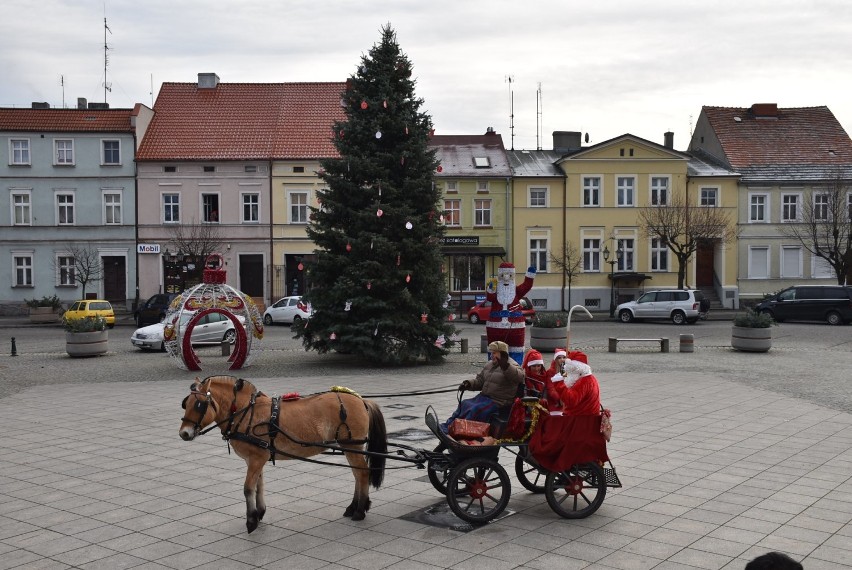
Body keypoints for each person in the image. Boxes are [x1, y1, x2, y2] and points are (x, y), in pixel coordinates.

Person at [440, 340, 524, 433]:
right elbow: (480, 381)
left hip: (499, 402)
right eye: (491, 353)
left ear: (502, 354)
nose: (491, 355)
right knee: (464, 404)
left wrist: (506, 366)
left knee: (475, 409)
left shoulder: (512, 365)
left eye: (494, 353)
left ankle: (463, 431)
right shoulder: (489, 364)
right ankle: (448, 426)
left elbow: (519, 377)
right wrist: (468, 384)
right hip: (484, 397)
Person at [550, 349, 601, 415]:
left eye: (572, 370)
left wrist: (559, 384)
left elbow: (571, 401)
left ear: (578, 369)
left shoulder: (584, 381)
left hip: (580, 418)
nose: (569, 372)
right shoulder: (586, 378)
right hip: (583, 416)